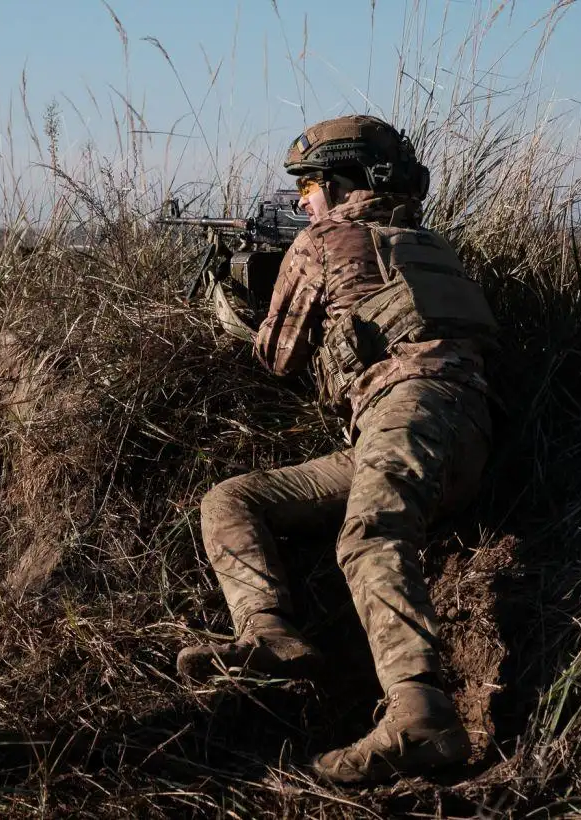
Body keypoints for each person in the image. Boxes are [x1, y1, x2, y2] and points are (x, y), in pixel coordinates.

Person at [176, 115, 499, 784]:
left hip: (408, 410)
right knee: (236, 500)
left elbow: (279, 356)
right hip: (456, 428)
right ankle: (266, 631)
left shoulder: (326, 239)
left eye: (306, 193)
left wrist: (233, 301)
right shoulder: (427, 244)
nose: (303, 207)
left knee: (368, 536)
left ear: (339, 184)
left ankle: (420, 713)